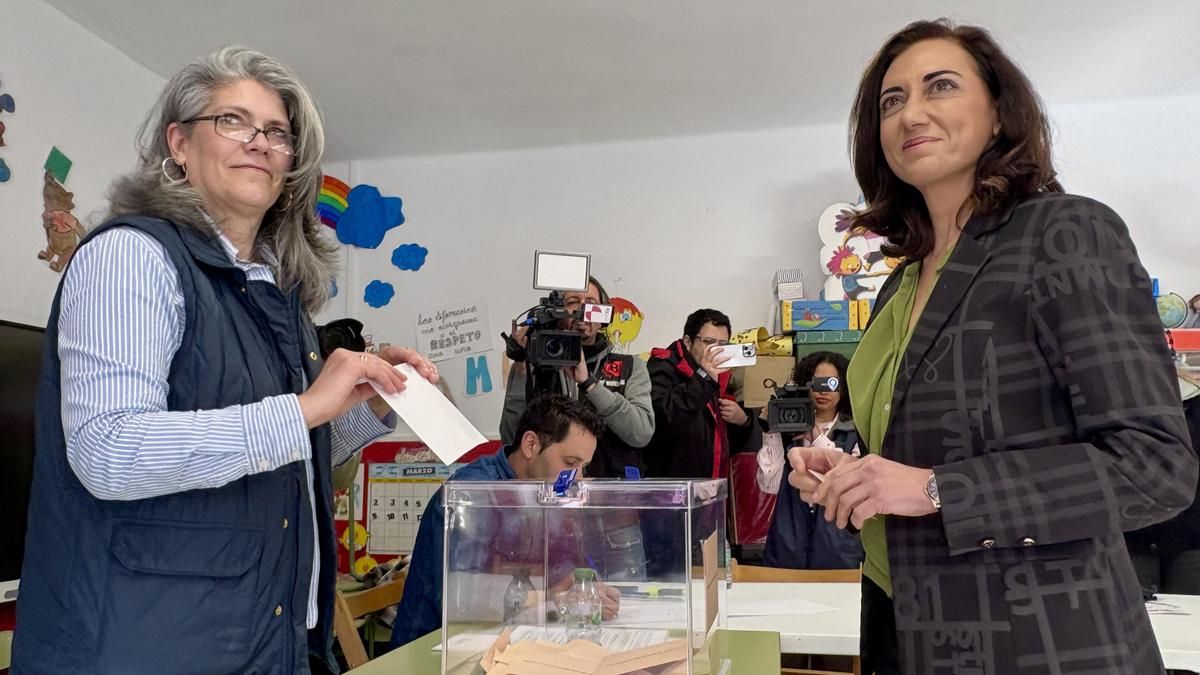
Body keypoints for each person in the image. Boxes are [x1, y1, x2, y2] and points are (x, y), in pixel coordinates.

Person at [787, 20, 1197, 674]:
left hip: (1040, 641)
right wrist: (855, 476)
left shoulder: (1064, 233)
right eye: (890, 101)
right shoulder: (903, 279)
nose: (910, 113)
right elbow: (927, 452)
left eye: (939, 86)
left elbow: (1154, 465)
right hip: (901, 626)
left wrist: (940, 488)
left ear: (998, 111)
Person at [12, 47, 437, 675]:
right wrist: (306, 407)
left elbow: (279, 455)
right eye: (233, 121)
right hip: (143, 650)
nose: (259, 143)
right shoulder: (131, 256)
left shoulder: (278, 296)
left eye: (277, 133)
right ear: (178, 143)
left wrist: (361, 406)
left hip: (263, 640)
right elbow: (109, 452)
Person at [391, 395, 619, 648]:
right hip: (433, 647)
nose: (576, 479)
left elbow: (559, 565)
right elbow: (464, 597)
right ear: (531, 444)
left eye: (583, 467)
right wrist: (554, 596)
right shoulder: (473, 493)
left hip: (510, 637)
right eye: (571, 463)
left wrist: (585, 588)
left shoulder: (544, 490)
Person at [500, 276, 654, 581]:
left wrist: (589, 383)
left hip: (614, 520)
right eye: (572, 303)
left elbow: (641, 431)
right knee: (555, 613)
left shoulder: (629, 366)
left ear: (604, 315)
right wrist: (522, 367)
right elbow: (511, 437)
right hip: (551, 519)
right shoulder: (539, 365)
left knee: (626, 611)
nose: (582, 312)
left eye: (591, 305)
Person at [756, 351, 861, 569]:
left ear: (844, 387)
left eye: (831, 383)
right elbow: (770, 486)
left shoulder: (856, 433)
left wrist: (815, 436)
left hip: (837, 551)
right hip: (788, 548)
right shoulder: (786, 432)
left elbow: (849, 485)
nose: (823, 391)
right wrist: (771, 432)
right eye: (816, 383)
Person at [645, 308, 759, 479]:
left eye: (723, 344)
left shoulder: (719, 375)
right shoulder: (663, 364)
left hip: (712, 485)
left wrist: (743, 420)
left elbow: (721, 441)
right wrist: (704, 377)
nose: (715, 350)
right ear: (688, 341)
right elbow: (661, 417)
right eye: (708, 342)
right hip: (672, 486)